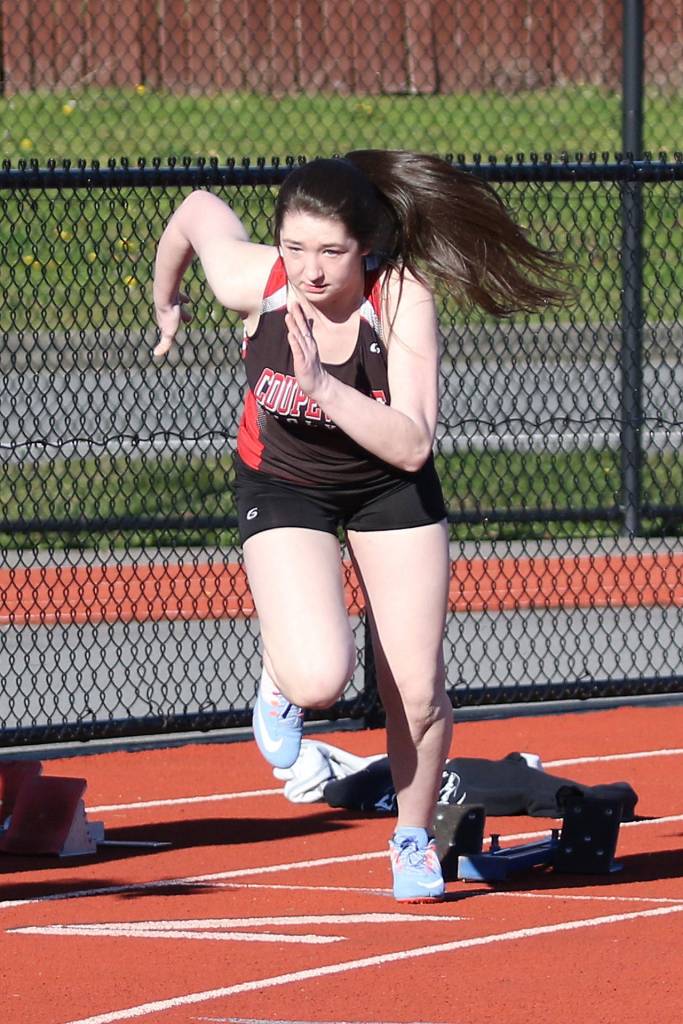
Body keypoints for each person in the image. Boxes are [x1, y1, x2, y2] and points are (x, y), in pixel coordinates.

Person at [152, 150, 566, 902]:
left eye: (331, 252)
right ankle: (282, 685)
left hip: (388, 487)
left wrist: (321, 389)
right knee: (319, 674)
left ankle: (411, 834)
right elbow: (194, 211)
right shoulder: (257, 281)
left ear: (365, 246)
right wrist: (164, 295)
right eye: (295, 247)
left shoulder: (401, 298)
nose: (310, 271)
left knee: (414, 690)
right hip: (283, 486)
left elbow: (411, 441)